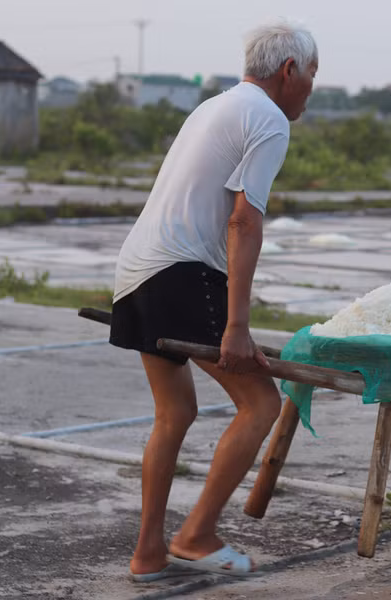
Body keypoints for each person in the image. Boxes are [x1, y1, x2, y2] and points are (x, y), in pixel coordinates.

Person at [108, 21, 317, 581]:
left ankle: (148, 555)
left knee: (174, 411)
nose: (311, 90)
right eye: (312, 76)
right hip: (181, 271)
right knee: (262, 404)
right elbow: (244, 221)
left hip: (136, 268)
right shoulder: (268, 118)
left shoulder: (213, 106)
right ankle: (196, 534)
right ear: (289, 71)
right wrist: (237, 325)